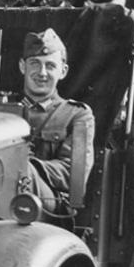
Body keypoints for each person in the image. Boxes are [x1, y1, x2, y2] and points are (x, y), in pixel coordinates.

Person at [19, 28, 95, 213]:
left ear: (63, 71)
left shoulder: (77, 115)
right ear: (22, 67)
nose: (42, 73)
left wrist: (24, 166)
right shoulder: (4, 111)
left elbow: (73, 173)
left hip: (50, 206)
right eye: (35, 63)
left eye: (50, 66)